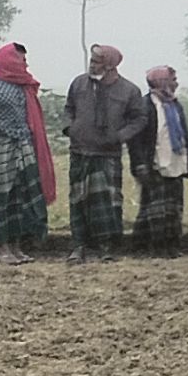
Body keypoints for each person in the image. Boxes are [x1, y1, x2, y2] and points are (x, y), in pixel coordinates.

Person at [63, 43, 140, 262]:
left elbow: (138, 119)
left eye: (97, 62)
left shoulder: (129, 91)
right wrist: (70, 128)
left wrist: (120, 136)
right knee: (78, 200)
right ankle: (79, 246)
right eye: (92, 60)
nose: (92, 65)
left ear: (109, 66)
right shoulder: (79, 83)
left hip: (108, 155)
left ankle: (107, 247)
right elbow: (69, 108)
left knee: (109, 202)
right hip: (80, 152)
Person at [0, 43, 56, 262]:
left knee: (22, 196)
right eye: (21, 60)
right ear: (9, 61)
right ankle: (2, 248)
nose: (25, 65)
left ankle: (17, 246)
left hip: (24, 145)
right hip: (0, 147)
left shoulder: (26, 87)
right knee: (2, 197)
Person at [131, 62, 188, 252]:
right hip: (155, 163)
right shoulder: (145, 106)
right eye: (172, 79)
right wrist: (140, 165)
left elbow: (184, 135)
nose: (176, 83)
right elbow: (136, 139)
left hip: (175, 162)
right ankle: (154, 246)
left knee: (173, 208)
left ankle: (172, 244)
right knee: (155, 208)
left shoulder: (174, 104)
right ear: (161, 81)